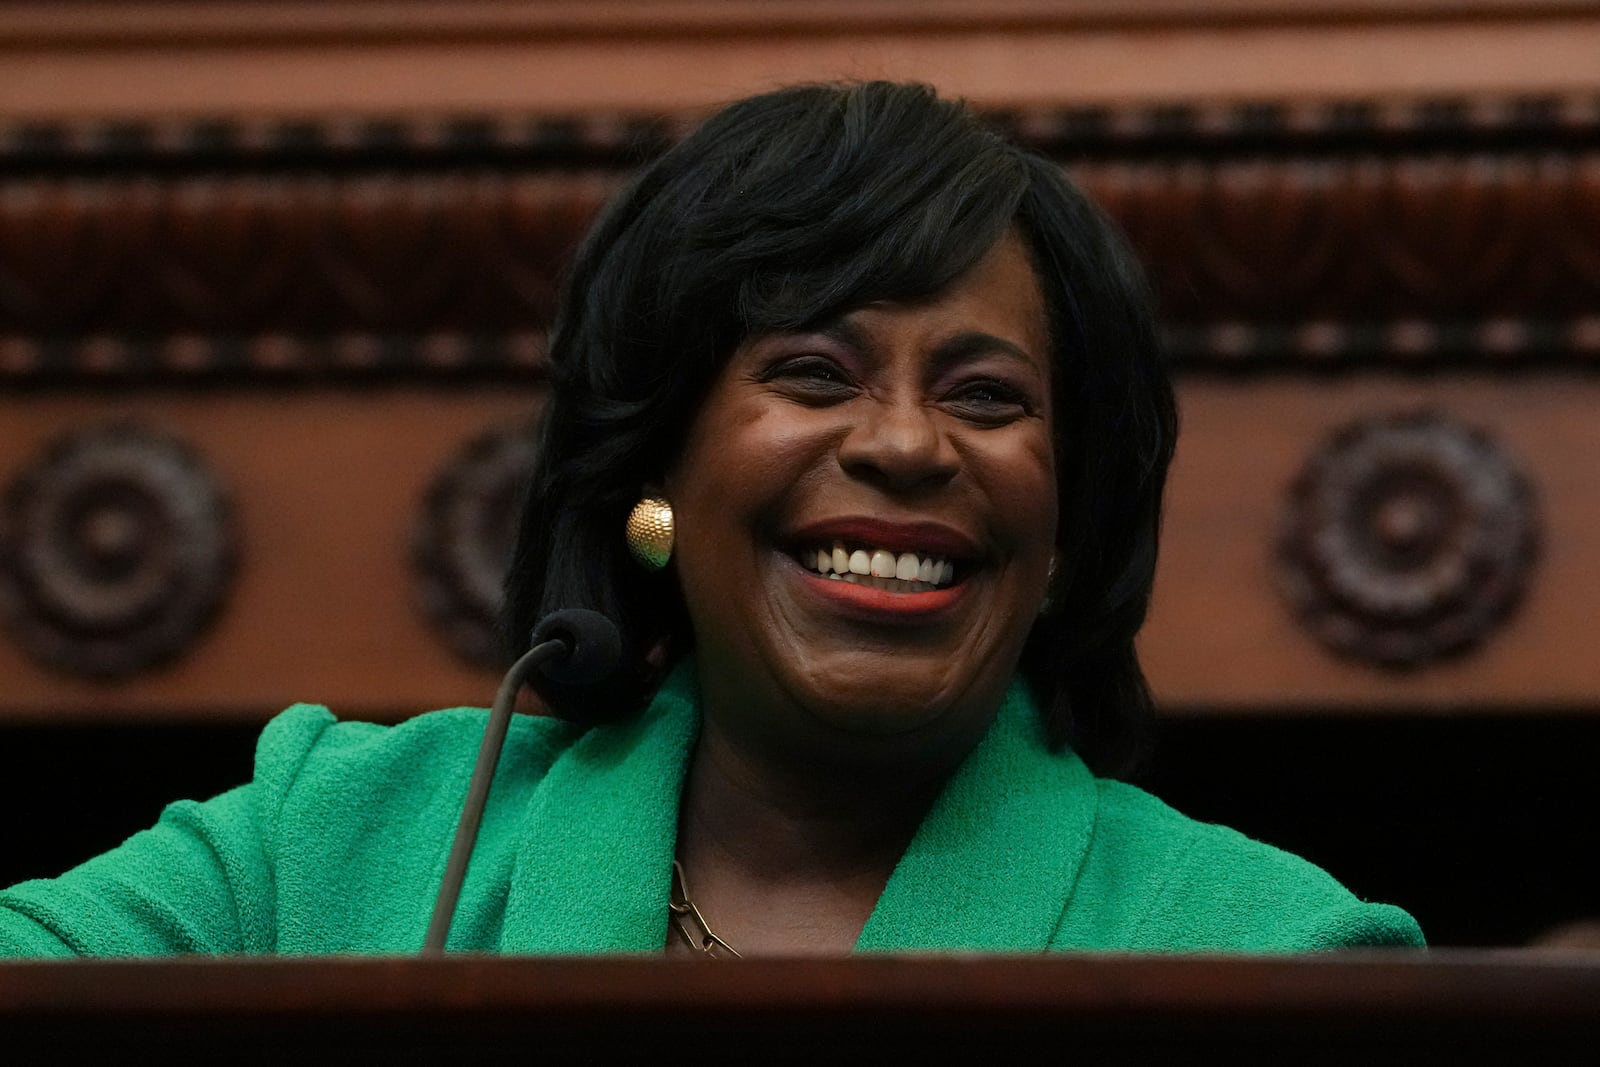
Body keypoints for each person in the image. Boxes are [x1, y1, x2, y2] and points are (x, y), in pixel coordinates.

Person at [0, 81, 1422, 957]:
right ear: (651, 476)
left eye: (990, 398)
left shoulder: (1272, 953)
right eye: (813, 371)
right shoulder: (334, 847)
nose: (909, 443)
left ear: (1062, 539)